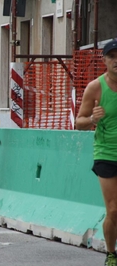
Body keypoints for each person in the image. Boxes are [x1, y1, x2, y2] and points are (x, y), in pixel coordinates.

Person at [76, 39, 117, 266]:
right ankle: (111, 254)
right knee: (113, 209)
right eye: (112, 56)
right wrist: (92, 118)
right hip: (106, 153)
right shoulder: (96, 87)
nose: (116, 60)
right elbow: (78, 122)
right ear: (104, 60)